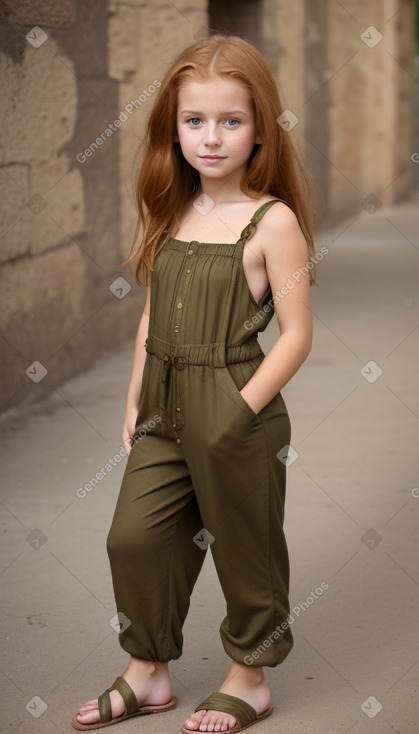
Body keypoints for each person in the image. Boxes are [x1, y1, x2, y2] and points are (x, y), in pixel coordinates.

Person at [72, 32, 316, 734]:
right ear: (172, 129)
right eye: (194, 121)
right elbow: (153, 312)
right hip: (163, 403)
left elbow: (296, 335)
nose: (211, 138)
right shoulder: (173, 208)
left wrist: (236, 409)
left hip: (238, 402)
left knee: (246, 547)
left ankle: (251, 677)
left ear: (260, 130)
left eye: (230, 121)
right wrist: (133, 397)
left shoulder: (274, 223)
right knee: (134, 537)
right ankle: (147, 671)